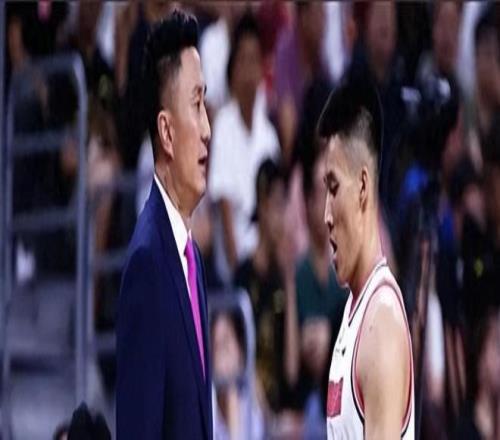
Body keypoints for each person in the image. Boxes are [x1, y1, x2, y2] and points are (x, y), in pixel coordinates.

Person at [116, 10, 212, 439]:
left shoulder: (191, 257)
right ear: (167, 133)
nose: (207, 128)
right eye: (196, 104)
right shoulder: (147, 264)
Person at [319, 75, 414, 439]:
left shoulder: (381, 320)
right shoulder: (355, 311)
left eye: (333, 188)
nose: (326, 215)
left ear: (362, 186)